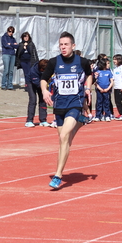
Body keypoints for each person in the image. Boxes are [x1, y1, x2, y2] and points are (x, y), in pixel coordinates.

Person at [41, 32, 94, 189]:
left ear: (73, 46)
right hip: (59, 106)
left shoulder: (82, 62)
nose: (63, 47)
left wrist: (87, 88)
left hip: (75, 103)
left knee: (64, 135)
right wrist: (44, 91)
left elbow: (90, 75)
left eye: (66, 44)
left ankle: (58, 176)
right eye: (61, 45)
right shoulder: (54, 62)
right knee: (64, 140)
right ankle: (80, 122)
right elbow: (44, 78)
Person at [14, 32, 45, 127]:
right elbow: (18, 54)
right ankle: (29, 120)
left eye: (27, 36)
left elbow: (34, 53)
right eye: (24, 36)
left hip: (33, 69)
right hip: (31, 81)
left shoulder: (32, 44)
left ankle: (43, 119)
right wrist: (43, 87)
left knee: (42, 99)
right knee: (33, 99)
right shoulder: (34, 71)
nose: (25, 38)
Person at [92, 57, 114, 122]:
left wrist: (107, 89)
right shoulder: (98, 72)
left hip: (107, 90)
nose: (109, 65)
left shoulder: (109, 72)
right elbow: (95, 82)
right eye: (107, 63)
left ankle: (107, 115)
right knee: (99, 102)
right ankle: (98, 115)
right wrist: (100, 88)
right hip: (99, 90)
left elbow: (112, 81)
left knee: (106, 103)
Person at [0, 26, 18, 90]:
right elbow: (5, 45)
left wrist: (11, 44)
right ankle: (3, 85)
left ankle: (10, 85)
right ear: (7, 31)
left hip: (13, 55)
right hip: (6, 54)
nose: (11, 33)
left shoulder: (13, 38)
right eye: (10, 31)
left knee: (11, 71)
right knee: (6, 70)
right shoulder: (4, 37)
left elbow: (17, 46)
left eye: (12, 32)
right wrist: (13, 45)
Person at [111, 54, 122, 120]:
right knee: (116, 101)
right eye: (113, 59)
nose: (114, 61)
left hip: (120, 87)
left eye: (115, 59)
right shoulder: (115, 68)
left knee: (118, 101)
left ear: (119, 60)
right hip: (116, 87)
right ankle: (121, 113)